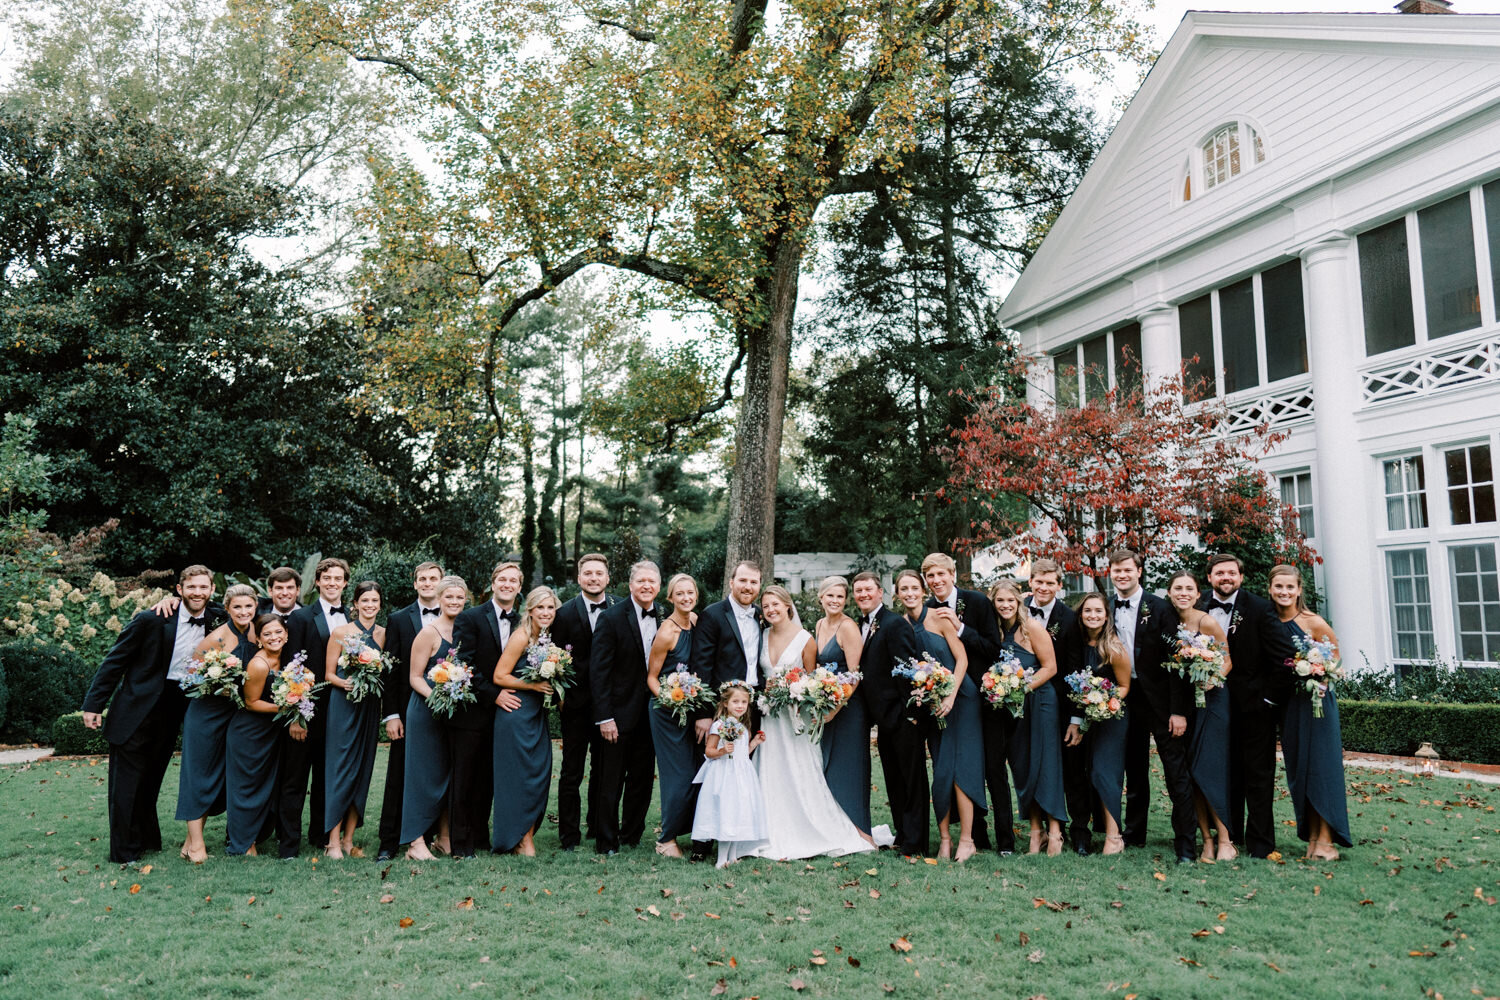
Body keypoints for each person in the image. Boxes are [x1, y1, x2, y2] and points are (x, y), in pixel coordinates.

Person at [81, 565, 222, 864]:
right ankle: (124, 851)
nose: (197, 592)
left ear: (211, 590)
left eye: (203, 587)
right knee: (126, 782)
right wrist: (93, 705)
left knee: (152, 777)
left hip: (177, 706)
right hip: (138, 706)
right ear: (179, 590)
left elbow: (250, 607)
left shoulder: (217, 619)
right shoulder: (151, 619)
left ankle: (146, 839)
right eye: (191, 587)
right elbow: (114, 661)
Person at [750, 586, 874, 860]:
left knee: (801, 768)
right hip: (771, 717)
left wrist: (794, 690)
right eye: (766, 606)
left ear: (787, 606)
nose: (771, 610)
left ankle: (815, 826)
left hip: (796, 717)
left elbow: (811, 678)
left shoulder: (806, 639)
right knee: (771, 770)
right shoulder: (763, 635)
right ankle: (770, 828)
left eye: (776, 605)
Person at [1202, 552, 1296, 859]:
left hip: (1254, 707)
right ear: (1210, 578)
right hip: (1210, 706)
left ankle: (1260, 843)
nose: (1225, 578)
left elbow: (1285, 658)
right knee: (1222, 772)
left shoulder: (1259, 608)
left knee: (1257, 775)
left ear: (1240, 577)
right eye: (1219, 573)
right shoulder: (1198, 604)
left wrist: (1268, 699)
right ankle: (1229, 835)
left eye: (1231, 573)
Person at [1110, 549, 1197, 863]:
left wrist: (1178, 709)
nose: (1122, 575)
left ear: (1139, 571)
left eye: (1127, 570)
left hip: (1161, 701)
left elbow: (1178, 660)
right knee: (1134, 769)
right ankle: (1135, 834)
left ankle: (1186, 844)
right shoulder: (1107, 608)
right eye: (1117, 571)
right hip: (1126, 696)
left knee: (1176, 771)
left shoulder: (1160, 608)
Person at [920, 553, 1005, 853]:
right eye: (930, 576)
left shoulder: (977, 602)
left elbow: (994, 649)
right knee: (954, 766)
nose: (936, 581)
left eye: (941, 574)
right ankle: (966, 837)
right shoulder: (926, 609)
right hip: (944, 699)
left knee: (988, 768)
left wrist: (959, 627)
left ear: (953, 574)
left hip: (982, 695)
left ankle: (999, 838)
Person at [898, 570, 983, 862]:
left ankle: (967, 840)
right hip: (932, 705)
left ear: (922, 591)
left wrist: (950, 695)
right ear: (898, 594)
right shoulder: (902, 626)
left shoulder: (942, 617)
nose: (909, 593)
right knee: (942, 771)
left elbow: (962, 659)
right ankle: (945, 839)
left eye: (913, 588)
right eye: (903, 589)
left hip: (962, 699)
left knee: (962, 772)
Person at [1269, 564, 1351, 861]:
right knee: (1300, 769)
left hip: (1317, 704)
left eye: (1290, 587)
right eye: (1278, 586)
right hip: (1289, 705)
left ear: (1299, 590)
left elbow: (1336, 655)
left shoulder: (1312, 621)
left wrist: (1321, 676)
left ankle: (1327, 841)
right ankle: (1313, 837)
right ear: (1270, 588)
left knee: (1321, 768)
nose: (1284, 592)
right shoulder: (1269, 621)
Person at [177, 584, 259, 862]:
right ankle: (197, 845)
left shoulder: (259, 632)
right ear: (227, 609)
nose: (244, 611)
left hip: (237, 716)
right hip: (207, 714)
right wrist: (215, 683)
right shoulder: (216, 639)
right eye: (237, 607)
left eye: (249, 606)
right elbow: (191, 676)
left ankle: (190, 841)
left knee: (224, 779)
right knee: (199, 776)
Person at [450, 562, 525, 857]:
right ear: (492, 584)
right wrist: (493, 695)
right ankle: (460, 843)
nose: (507, 585)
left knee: (490, 778)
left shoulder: (523, 620)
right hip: (473, 712)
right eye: (502, 580)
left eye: (513, 581)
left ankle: (481, 836)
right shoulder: (470, 618)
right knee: (465, 778)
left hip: (509, 715)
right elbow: (462, 663)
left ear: (519, 588)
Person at [589, 560, 662, 855]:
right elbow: (599, 672)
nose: (646, 586)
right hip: (617, 715)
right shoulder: (611, 618)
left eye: (652, 581)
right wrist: (605, 717)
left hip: (652, 714)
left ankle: (632, 834)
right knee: (611, 779)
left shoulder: (665, 617)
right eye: (641, 581)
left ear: (659, 586)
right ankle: (606, 841)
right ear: (630, 585)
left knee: (642, 780)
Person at [279, 556, 350, 856]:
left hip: (339, 713)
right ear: (317, 581)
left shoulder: (350, 617)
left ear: (345, 583)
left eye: (338, 578)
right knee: (295, 778)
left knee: (326, 777)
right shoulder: (300, 618)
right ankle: (289, 844)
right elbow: (292, 667)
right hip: (308, 711)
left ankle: (321, 836)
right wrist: (297, 715)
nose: (333, 583)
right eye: (327, 578)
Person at [851, 572, 925, 856]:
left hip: (903, 717)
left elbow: (908, 671)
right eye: (858, 590)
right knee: (894, 781)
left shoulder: (894, 624)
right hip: (883, 719)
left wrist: (910, 714)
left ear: (880, 592)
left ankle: (915, 843)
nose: (863, 594)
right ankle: (903, 834)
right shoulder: (863, 624)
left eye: (868, 589)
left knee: (911, 781)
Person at [991, 580, 1065, 855]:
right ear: (994, 603)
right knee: (1022, 766)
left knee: (1046, 765)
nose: (1006, 605)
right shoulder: (995, 632)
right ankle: (1036, 832)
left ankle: (1055, 832)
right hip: (1013, 708)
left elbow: (1050, 667)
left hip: (1040, 702)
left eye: (1011, 600)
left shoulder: (1032, 627)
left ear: (1019, 602)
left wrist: (1019, 687)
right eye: (1000, 600)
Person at [1167, 571, 1236, 863]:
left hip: (1212, 701)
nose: (1183, 593)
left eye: (1189, 589)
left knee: (1209, 770)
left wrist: (1212, 678)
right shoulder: (1167, 622)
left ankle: (1225, 839)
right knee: (1192, 773)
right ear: (1169, 593)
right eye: (1177, 588)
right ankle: (1206, 840)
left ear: (1198, 594)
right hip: (1186, 704)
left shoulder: (1206, 621)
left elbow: (1227, 658)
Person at [377, 561, 444, 861]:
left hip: (446, 712)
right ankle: (390, 841)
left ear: (442, 583)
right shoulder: (399, 618)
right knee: (399, 775)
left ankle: (432, 836)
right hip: (409, 711)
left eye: (433, 578)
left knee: (438, 773)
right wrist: (392, 715)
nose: (428, 583)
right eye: (423, 579)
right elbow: (390, 671)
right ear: (415, 584)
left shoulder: (457, 616)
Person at [489, 586, 561, 855]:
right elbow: (499, 676)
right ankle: (518, 839)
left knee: (538, 774)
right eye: (540, 607)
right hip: (516, 713)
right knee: (518, 777)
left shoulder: (546, 638)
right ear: (529, 611)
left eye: (550, 607)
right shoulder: (521, 637)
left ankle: (526, 834)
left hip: (536, 716)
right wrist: (533, 687)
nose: (545, 612)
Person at [1025, 559, 1089, 855]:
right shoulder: (1018, 610)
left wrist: (1077, 717)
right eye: (1039, 581)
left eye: (1051, 582)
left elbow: (1077, 669)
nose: (1044, 587)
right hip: (1024, 703)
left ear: (1059, 586)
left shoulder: (1070, 618)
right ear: (1031, 582)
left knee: (1072, 771)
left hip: (1061, 705)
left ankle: (1077, 832)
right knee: (1033, 766)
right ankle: (1038, 829)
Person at [549, 553, 614, 851]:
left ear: (607, 578)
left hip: (609, 708)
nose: (593, 578)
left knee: (604, 771)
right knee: (572, 772)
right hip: (574, 707)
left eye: (599, 573)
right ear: (579, 578)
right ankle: (569, 835)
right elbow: (553, 658)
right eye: (587, 573)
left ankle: (599, 829)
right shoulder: (563, 614)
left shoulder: (619, 608)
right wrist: (561, 698)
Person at [403, 576, 468, 861]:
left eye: (459, 597)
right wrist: (437, 699)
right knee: (422, 776)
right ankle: (415, 843)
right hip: (426, 712)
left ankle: (444, 839)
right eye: (449, 597)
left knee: (448, 775)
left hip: (453, 715)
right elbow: (414, 677)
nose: (454, 602)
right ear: (439, 599)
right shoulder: (428, 633)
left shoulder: (466, 630)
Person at [1063, 594, 1132, 854]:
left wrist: (1106, 703)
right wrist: (1081, 716)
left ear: (1106, 615)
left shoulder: (1114, 647)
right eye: (1087, 611)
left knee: (1104, 773)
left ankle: (1114, 837)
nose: (1093, 615)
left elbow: (1125, 686)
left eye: (1098, 611)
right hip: (1084, 716)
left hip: (1110, 717)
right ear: (1081, 615)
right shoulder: (1076, 644)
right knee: (1084, 773)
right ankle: (1085, 833)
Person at [322, 580, 387, 859]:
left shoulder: (385, 634)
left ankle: (349, 840)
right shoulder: (340, 632)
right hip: (344, 706)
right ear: (356, 604)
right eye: (365, 601)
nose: (370, 605)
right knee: (340, 770)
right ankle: (332, 843)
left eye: (375, 601)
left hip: (369, 707)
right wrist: (344, 683)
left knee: (362, 768)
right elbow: (329, 674)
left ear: (380, 604)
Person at [646, 573, 702, 859]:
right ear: (670, 598)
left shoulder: (696, 623)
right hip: (667, 713)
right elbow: (652, 678)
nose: (686, 598)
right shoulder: (666, 632)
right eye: (679, 593)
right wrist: (669, 700)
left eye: (690, 592)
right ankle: (665, 839)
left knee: (695, 773)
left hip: (691, 710)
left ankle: (691, 830)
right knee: (678, 777)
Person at [225, 613, 286, 856]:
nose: (274, 637)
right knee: (246, 788)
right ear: (259, 639)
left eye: (278, 632)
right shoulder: (259, 664)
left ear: (286, 635)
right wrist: (287, 708)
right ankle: (243, 843)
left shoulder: (285, 659)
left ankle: (256, 836)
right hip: (248, 733)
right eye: (267, 634)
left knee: (264, 787)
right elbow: (250, 702)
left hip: (269, 733)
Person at [813, 576, 870, 836]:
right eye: (830, 596)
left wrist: (835, 709)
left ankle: (860, 831)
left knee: (850, 767)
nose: (835, 601)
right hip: (827, 706)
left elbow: (855, 675)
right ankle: (835, 828)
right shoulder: (819, 624)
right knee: (829, 765)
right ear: (821, 598)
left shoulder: (848, 628)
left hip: (848, 709)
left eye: (840, 597)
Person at [690, 681, 768, 868]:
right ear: (725, 703)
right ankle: (721, 859)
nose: (740, 706)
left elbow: (742, 752)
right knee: (727, 813)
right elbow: (709, 751)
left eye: (743, 702)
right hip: (724, 775)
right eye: (735, 701)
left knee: (738, 812)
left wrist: (755, 743)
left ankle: (733, 856)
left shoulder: (743, 726)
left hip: (742, 774)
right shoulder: (719, 726)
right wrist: (722, 750)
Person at [689, 560, 765, 734]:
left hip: (754, 707)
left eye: (754, 582)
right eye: (743, 580)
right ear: (731, 582)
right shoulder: (712, 615)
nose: (748, 587)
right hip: (721, 707)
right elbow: (701, 666)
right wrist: (704, 713)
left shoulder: (761, 615)